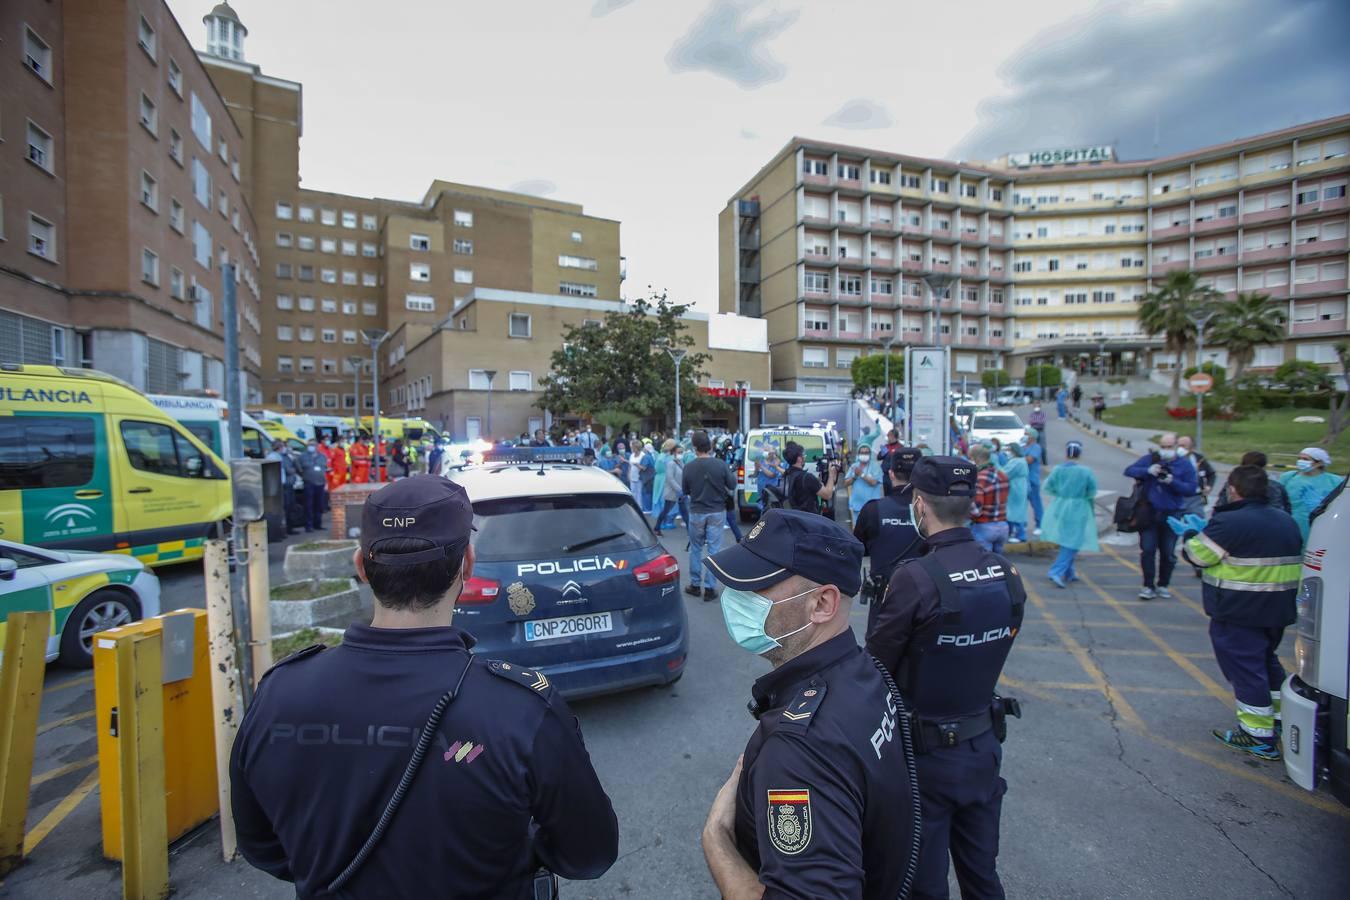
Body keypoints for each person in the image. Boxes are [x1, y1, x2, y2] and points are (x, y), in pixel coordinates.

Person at [230, 476, 619, 897]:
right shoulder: (520, 710)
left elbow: (262, 846)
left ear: (361, 567)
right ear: (467, 566)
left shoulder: (279, 694)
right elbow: (589, 853)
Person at [700, 509, 919, 900]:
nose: (733, 598)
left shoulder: (798, 749)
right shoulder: (860, 671)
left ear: (821, 604)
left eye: (755, 587)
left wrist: (716, 838)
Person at [866, 457, 1025, 900]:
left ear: (919, 504)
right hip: (982, 749)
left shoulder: (916, 578)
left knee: (924, 886)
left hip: (924, 760)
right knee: (982, 876)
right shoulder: (1007, 574)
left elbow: (876, 666)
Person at [1176, 465, 1303, 760]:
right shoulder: (1286, 521)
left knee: (1246, 671)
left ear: (1233, 489)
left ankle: (1257, 735)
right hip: (1277, 610)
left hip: (1240, 611)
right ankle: (1279, 719)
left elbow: (1197, 556)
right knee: (1267, 664)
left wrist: (1191, 535)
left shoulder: (1230, 522)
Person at [853, 447, 924, 633]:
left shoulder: (873, 510)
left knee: (879, 656)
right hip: (925, 597)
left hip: (884, 600)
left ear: (891, 474)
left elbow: (858, 548)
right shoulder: (932, 512)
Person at [1124, 433, 1197, 600]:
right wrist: (1148, 471)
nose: (1166, 451)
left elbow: (1191, 489)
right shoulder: (1151, 459)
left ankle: (1163, 584)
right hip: (1150, 514)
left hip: (1172, 513)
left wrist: (1172, 481)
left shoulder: (1184, 465)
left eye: (1169, 447)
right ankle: (1148, 585)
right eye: (1163, 447)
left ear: (1176, 446)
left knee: (1168, 553)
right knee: (1148, 550)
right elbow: (1129, 470)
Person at [683, 430, 736, 601]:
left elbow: (685, 490)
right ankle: (710, 588)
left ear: (695, 447)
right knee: (714, 550)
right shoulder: (720, 464)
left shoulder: (689, 467)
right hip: (716, 511)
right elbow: (732, 484)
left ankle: (695, 584)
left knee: (696, 549)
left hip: (697, 511)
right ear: (710, 446)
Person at [1042, 441, 1099, 588]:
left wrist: (1061, 495)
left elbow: (1048, 487)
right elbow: (1091, 491)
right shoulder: (1086, 471)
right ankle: (1056, 570)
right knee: (1073, 542)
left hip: (1060, 507)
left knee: (1066, 539)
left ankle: (1069, 571)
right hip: (1078, 507)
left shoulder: (1057, 470)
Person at [1279, 447, 1340, 543]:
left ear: (1319, 463)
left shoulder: (1335, 481)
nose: (1300, 461)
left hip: (1322, 527)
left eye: (1305, 459)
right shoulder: (1289, 477)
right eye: (1299, 458)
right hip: (1293, 525)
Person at [1215, 451, 1290, 512]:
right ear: (1264, 467)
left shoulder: (1231, 484)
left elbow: (1220, 507)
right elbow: (1284, 510)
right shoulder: (1275, 487)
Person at [969, 445, 1010, 554]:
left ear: (975, 459)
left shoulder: (980, 478)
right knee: (998, 564)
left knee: (984, 565)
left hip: (984, 526)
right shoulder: (1002, 475)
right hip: (1003, 525)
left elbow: (976, 511)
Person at [782, 442, 838, 516]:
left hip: (794, 518)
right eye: (804, 455)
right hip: (809, 521)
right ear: (799, 459)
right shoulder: (807, 478)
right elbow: (827, 495)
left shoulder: (787, 474)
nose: (805, 457)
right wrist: (831, 475)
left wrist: (817, 483)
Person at [267, 440, 303, 535]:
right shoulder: (273, 457)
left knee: (289, 507)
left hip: (286, 485)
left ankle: (288, 529)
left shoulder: (282, 456)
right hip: (280, 486)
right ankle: (281, 531)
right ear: (279, 447)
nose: (285, 448)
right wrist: (292, 470)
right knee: (283, 509)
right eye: (283, 446)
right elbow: (287, 470)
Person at [1177, 435, 1216, 518]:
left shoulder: (1199, 459)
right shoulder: (1172, 459)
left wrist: (1209, 486)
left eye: (1183, 446)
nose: (1180, 448)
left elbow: (1211, 473)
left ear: (1191, 447)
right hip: (1178, 497)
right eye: (1178, 445)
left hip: (1195, 497)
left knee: (1195, 524)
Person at [844, 444, 883, 526]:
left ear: (870, 454)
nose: (864, 455)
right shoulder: (854, 466)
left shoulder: (875, 467)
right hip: (857, 506)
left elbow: (873, 482)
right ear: (858, 454)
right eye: (862, 453)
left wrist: (861, 474)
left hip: (872, 507)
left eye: (866, 453)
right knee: (858, 531)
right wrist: (854, 477)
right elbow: (846, 483)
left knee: (871, 531)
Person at [654, 440, 687, 536]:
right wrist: (679, 490)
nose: (681, 454)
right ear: (673, 452)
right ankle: (657, 527)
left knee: (685, 512)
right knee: (666, 510)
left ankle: (691, 532)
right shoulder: (670, 462)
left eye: (682, 452)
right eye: (679, 452)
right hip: (673, 492)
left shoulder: (680, 461)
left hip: (680, 491)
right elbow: (670, 478)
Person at [298, 439, 329, 533]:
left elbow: (324, 468)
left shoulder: (322, 456)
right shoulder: (302, 456)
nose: (311, 447)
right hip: (309, 483)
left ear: (316, 446)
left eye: (313, 445)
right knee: (309, 505)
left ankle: (318, 524)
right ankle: (308, 525)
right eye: (310, 445)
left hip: (320, 483)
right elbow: (298, 468)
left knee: (319, 505)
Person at [1000, 444, 1029, 544]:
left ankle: (1020, 534)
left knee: (1014, 511)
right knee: (1015, 510)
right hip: (1019, 486)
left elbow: (1005, 473)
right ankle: (1011, 532)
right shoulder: (1021, 460)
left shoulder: (1016, 462)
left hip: (1015, 487)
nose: (1007, 452)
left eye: (1009, 450)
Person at [1022, 429, 1045, 536]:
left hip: (1032, 480)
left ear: (1032, 437)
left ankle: (1040, 525)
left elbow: (1029, 460)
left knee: (1036, 503)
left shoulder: (1036, 447)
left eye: (1027, 435)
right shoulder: (1023, 447)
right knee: (1021, 504)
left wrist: (1018, 458)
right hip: (1023, 480)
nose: (1025, 436)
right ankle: (1021, 525)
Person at [756, 447, 784, 515]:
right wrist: (756, 469)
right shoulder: (761, 461)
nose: (767, 452)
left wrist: (761, 467)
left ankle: (765, 523)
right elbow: (756, 473)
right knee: (763, 506)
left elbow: (772, 475)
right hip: (761, 487)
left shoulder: (776, 462)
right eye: (766, 450)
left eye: (768, 451)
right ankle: (763, 521)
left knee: (770, 507)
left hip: (771, 488)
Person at [877, 429, 902, 496]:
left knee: (895, 493)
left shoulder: (900, 447)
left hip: (895, 474)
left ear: (893, 436)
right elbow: (879, 457)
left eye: (889, 435)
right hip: (885, 475)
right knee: (886, 493)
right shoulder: (886, 447)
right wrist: (883, 453)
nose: (888, 437)